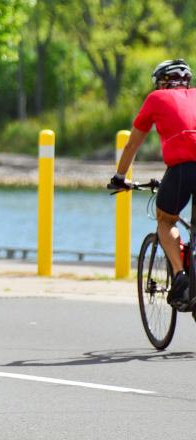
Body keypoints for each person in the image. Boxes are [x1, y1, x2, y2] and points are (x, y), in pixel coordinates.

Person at [111, 59, 196, 308]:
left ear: (161, 83)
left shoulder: (156, 98)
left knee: (166, 219)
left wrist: (119, 177)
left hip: (182, 169)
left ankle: (180, 275)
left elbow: (132, 144)